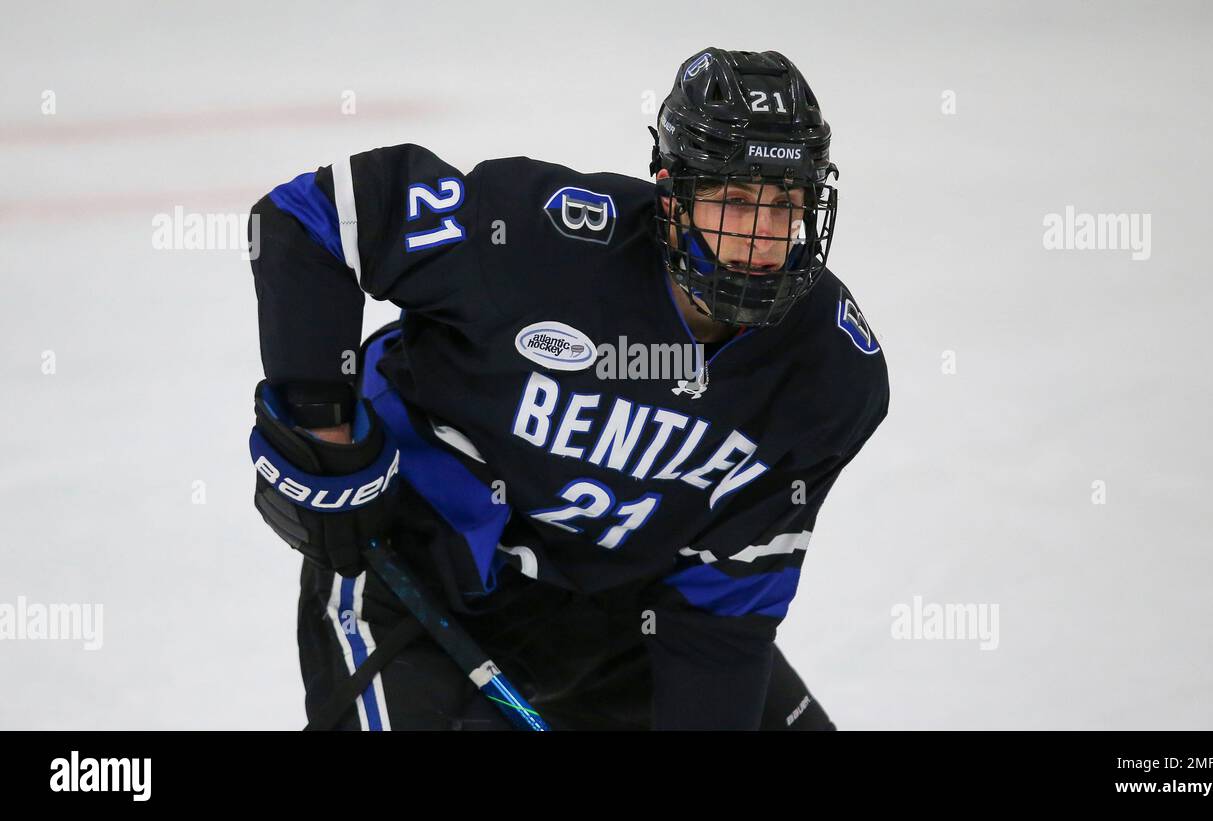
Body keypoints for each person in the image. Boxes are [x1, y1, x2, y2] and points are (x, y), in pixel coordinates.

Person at [247, 47, 890, 730]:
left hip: (613, 617)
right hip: (412, 573)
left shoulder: (827, 373)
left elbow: (721, 609)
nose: (763, 239)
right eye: (734, 200)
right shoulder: (537, 241)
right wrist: (322, 432)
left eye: (786, 204)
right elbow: (307, 218)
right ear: (671, 195)